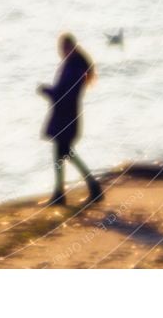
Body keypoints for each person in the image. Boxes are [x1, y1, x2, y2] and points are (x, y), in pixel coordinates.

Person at [37, 33, 102, 206]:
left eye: (64, 48)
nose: (62, 52)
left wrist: (46, 91)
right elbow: (65, 93)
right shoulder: (74, 65)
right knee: (63, 153)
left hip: (67, 117)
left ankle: (87, 189)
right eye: (61, 48)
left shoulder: (74, 67)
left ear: (71, 48)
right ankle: (70, 191)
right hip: (67, 116)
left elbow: (66, 95)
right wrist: (51, 92)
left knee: (64, 153)